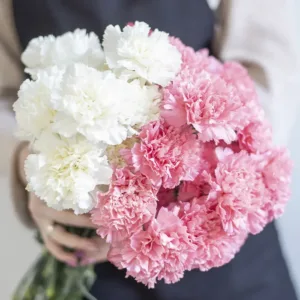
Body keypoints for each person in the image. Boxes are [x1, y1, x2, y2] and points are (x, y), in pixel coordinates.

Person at [1, 0, 299, 299]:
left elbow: (270, 62)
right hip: (92, 250)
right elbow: (5, 97)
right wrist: (35, 167)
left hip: (223, 238)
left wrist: (207, 154)